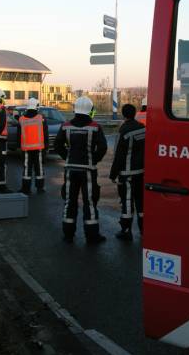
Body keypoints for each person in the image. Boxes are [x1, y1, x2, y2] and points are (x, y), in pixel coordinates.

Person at [54, 96, 107, 244]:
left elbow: (58, 145)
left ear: (75, 109)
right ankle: (92, 236)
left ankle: (68, 234)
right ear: (90, 110)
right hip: (88, 170)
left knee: (69, 201)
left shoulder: (65, 126)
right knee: (89, 202)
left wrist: (68, 157)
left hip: (70, 169)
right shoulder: (95, 127)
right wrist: (93, 160)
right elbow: (102, 147)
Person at [110, 103, 145, 240]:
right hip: (141, 172)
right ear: (135, 113)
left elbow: (119, 155)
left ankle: (126, 230)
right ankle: (144, 229)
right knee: (141, 202)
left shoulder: (123, 131)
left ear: (123, 115)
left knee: (127, 202)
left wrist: (113, 174)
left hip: (127, 174)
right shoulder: (143, 128)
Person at [17, 98, 49, 195]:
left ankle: (26, 189)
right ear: (36, 107)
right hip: (39, 149)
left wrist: (19, 146)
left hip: (26, 149)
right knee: (39, 168)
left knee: (27, 169)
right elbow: (45, 134)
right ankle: (40, 188)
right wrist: (46, 147)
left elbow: (19, 135)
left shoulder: (21, 119)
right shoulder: (41, 118)